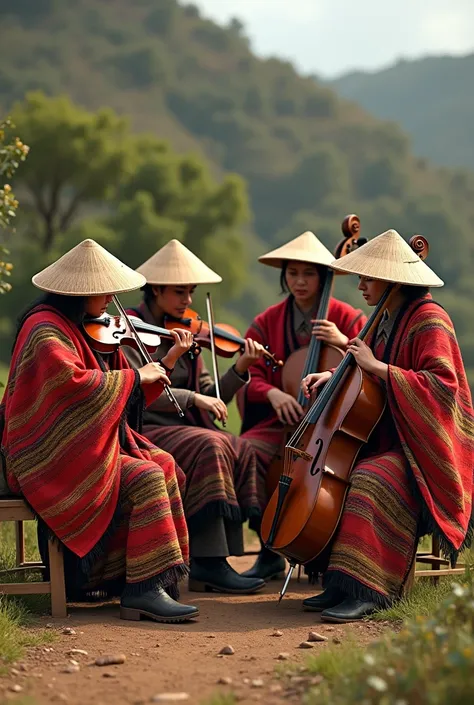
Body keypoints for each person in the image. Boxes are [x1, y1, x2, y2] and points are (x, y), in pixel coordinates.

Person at [0, 239, 200, 623]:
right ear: (82, 292)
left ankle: (141, 579)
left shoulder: (77, 326)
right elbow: (74, 387)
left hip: (78, 448)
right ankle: (139, 591)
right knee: (145, 476)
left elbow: (125, 392)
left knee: (164, 462)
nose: (111, 298)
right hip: (46, 458)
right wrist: (134, 375)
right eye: (104, 290)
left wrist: (163, 363)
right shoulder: (43, 330)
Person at [300, 229, 474, 622]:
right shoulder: (385, 319)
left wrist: (376, 367)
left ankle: (371, 590)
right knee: (342, 475)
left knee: (370, 476)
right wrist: (333, 375)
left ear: (393, 280)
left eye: (367, 278)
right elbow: (368, 377)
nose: (360, 285)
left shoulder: (431, 320)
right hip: (393, 438)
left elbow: (441, 387)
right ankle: (341, 583)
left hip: (427, 451)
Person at [123, 239, 266, 595]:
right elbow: (135, 392)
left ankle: (228, 556)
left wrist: (240, 369)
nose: (187, 300)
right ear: (155, 289)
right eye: (179, 292)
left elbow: (213, 395)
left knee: (238, 445)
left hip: (184, 426)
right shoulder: (131, 328)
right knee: (211, 444)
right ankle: (208, 562)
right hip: (146, 428)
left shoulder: (187, 329)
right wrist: (192, 396)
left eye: (190, 291)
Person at [237, 231, 367, 581]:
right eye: (292, 274)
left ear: (324, 277)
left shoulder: (347, 317)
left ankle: (324, 552)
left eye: (308, 274)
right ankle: (268, 551)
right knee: (245, 450)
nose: (299, 281)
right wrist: (272, 393)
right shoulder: (267, 321)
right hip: (283, 427)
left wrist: (343, 341)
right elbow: (252, 373)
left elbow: (370, 364)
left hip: (331, 429)